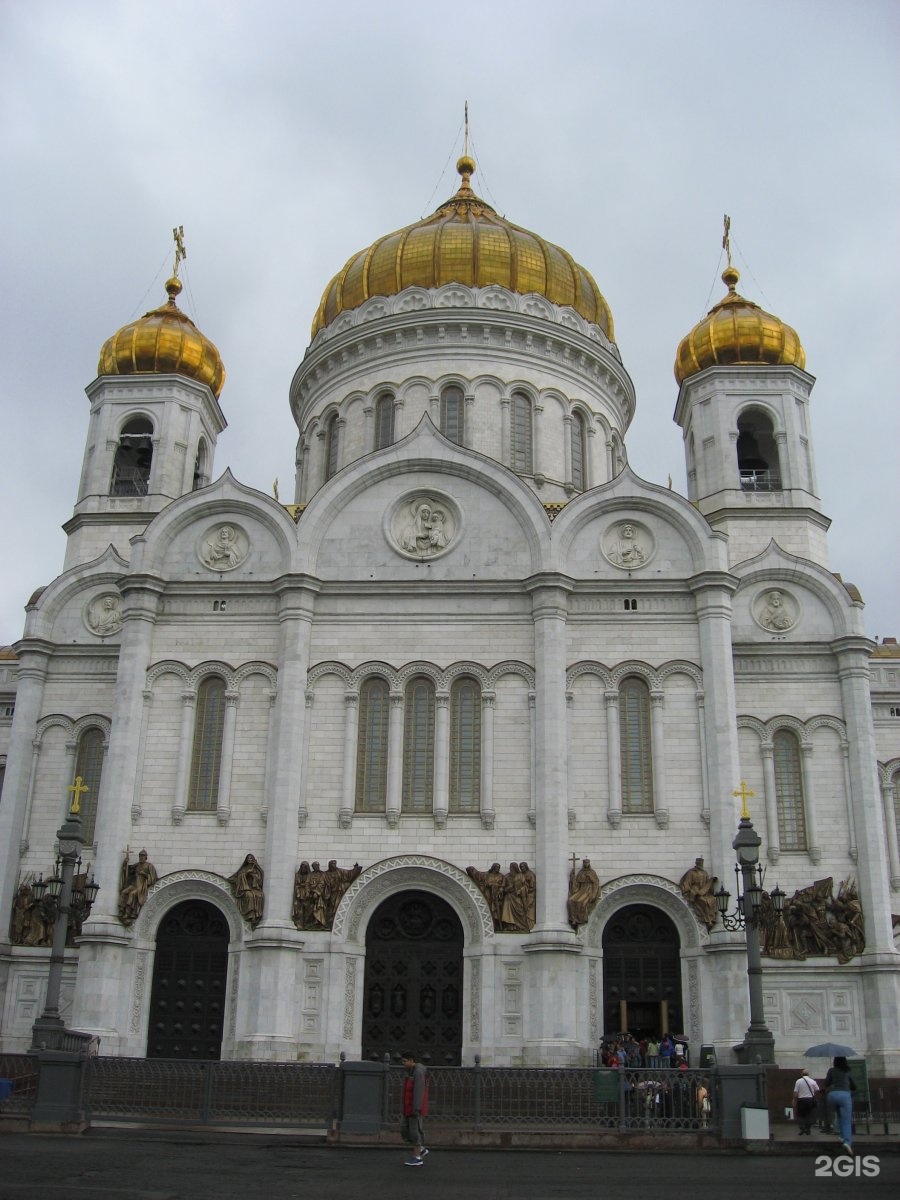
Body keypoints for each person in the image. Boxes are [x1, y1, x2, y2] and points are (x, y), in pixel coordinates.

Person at [400, 1051, 429, 1167]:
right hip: (408, 1107)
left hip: (414, 1108)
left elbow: (418, 1091)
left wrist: (416, 1108)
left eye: (405, 1061)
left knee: (414, 1131)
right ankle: (420, 1149)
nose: (403, 1064)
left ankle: (417, 1157)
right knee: (404, 1129)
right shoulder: (410, 1072)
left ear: (411, 1060)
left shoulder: (418, 1072)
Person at [824, 1055, 856, 1155]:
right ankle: (847, 1142)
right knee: (846, 1120)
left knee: (839, 1114)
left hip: (832, 1096)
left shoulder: (831, 1070)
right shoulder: (847, 1071)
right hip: (845, 1095)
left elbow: (826, 1083)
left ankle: (841, 1136)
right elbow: (854, 1086)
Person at [118, 849, 159, 926]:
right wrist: (125, 863)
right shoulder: (136, 865)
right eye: (140, 856)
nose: (141, 857)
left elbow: (153, 878)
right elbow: (127, 871)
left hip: (141, 886)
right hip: (133, 884)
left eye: (143, 856)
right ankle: (121, 910)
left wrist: (145, 875)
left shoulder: (149, 866)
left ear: (146, 857)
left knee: (132, 894)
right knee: (123, 892)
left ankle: (127, 912)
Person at [227, 854, 264, 927]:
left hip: (254, 888)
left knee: (259, 895)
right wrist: (247, 873)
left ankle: (256, 916)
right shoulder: (244, 869)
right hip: (245, 888)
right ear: (246, 860)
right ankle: (250, 915)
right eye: (248, 858)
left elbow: (260, 878)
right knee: (249, 895)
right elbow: (240, 877)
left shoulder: (256, 869)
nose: (250, 859)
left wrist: (254, 874)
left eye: (251, 858)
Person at [567, 858, 600, 930]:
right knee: (571, 900)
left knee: (581, 902)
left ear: (589, 863)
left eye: (587, 863)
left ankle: (579, 919)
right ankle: (573, 919)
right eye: (585, 863)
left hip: (588, 890)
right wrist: (572, 878)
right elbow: (576, 886)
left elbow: (596, 884)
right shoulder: (581, 872)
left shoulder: (592, 872)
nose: (586, 864)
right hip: (581, 890)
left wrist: (593, 894)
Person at [793, 1067, 820, 1135]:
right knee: (809, 1114)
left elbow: (796, 1092)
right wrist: (812, 1093)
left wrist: (794, 1100)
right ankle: (808, 1129)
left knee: (800, 1115)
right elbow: (817, 1089)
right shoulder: (812, 1081)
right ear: (808, 1074)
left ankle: (802, 1128)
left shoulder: (798, 1081)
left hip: (801, 1100)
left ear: (802, 1074)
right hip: (810, 1100)